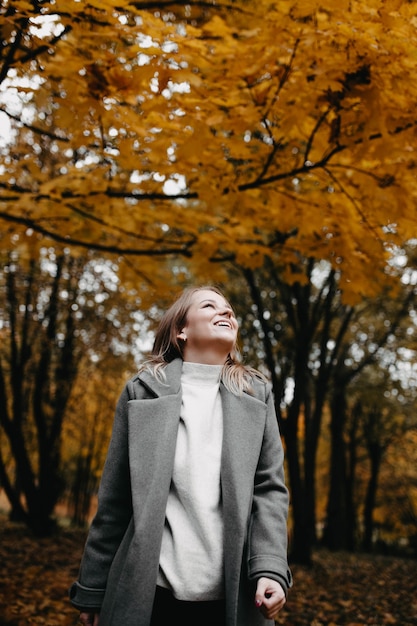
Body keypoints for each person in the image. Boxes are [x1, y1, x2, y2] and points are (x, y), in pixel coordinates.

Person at [69, 285, 292, 626]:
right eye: (209, 305)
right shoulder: (141, 392)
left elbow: (269, 490)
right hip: (152, 598)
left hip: (233, 600)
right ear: (180, 331)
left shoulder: (256, 393)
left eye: (229, 309)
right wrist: (93, 590)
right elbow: (115, 499)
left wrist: (270, 567)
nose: (226, 312)